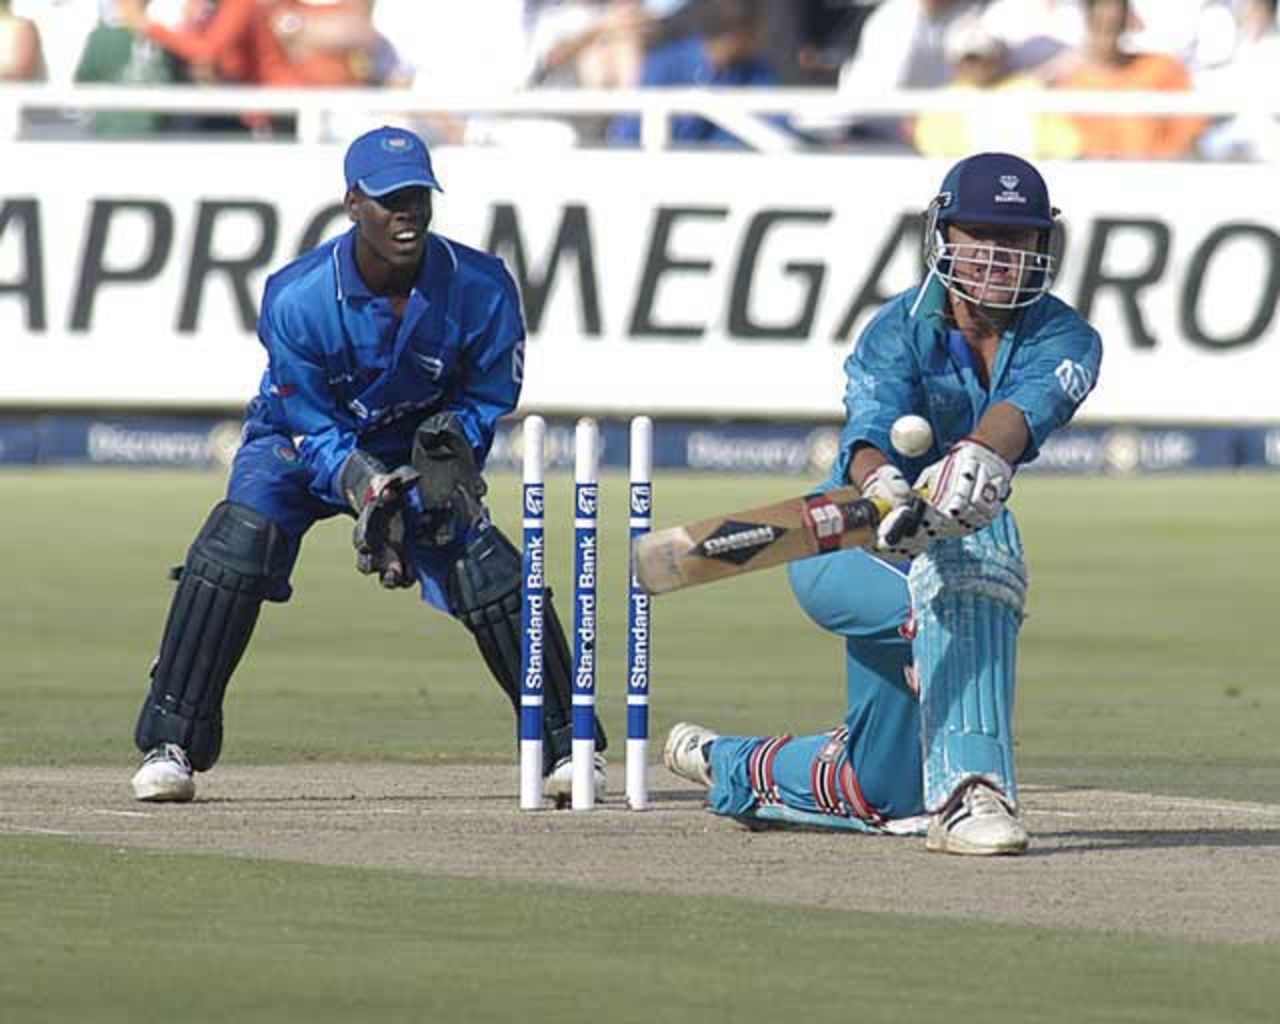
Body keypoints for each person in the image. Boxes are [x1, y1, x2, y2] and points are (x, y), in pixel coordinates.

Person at [130, 125, 606, 805]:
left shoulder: (481, 286)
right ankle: (171, 741)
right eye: (388, 199)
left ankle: (568, 745)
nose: (406, 212)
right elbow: (310, 421)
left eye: (417, 196)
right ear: (353, 202)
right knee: (237, 545)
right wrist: (362, 487)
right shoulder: (298, 297)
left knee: (484, 562)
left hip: (419, 449)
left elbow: (489, 392)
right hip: (300, 444)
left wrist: (448, 452)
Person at [663, 152, 1103, 856]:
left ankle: (729, 763)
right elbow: (869, 430)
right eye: (977, 234)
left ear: (1042, 246)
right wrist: (884, 487)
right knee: (982, 565)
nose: (994, 254)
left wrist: (978, 459)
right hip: (847, 544)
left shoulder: (1068, 336)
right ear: (943, 236)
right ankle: (971, 793)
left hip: (949, 538)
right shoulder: (896, 328)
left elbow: (1024, 412)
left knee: (885, 791)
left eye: (1014, 238)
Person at [1053, 0, 1205, 159]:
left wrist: (1161, 158)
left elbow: (1191, 124)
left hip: (1156, 176)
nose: (1107, 22)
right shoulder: (1070, 83)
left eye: (1114, 23)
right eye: (1099, 22)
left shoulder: (1161, 68)